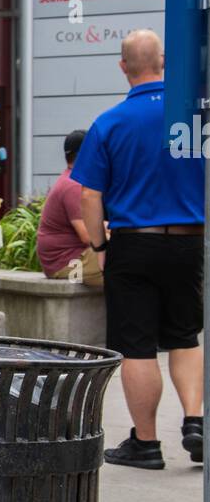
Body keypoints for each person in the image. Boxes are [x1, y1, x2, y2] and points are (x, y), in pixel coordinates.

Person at [71, 29, 204, 470]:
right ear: (163, 62)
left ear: (123, 66)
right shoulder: (195, 116)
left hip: (133, 243)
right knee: (185, 336)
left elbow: (90, 196)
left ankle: (145, 445)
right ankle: (195, 421)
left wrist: (100, 245)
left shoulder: (109, 122)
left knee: (138, 346)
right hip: (188, 241)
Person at [36, 129, 103, 285]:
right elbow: (88, 235)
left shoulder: (70, 179)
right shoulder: (73, 186)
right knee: (126, 266)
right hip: (66, 267)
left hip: (63, 262)